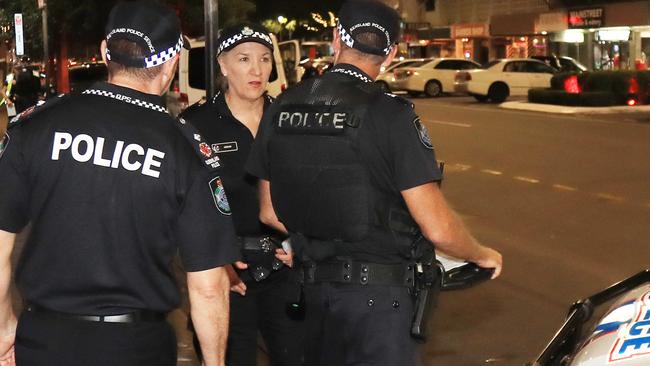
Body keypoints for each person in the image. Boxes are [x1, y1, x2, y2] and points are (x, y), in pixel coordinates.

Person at [246, 1, 503, 365]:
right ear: (391, 52)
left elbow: (270, 212)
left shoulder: (282, 107)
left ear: (336, 39)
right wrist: (481, 254)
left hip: (312, 297)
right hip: (381, 307)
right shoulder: (391, 115)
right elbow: (437, 229)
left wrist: (316, 239)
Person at [0, 2, 240, 366]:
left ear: (104, 52)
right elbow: (209, 287)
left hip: (45, 340)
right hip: (136, 347)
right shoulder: (187, 151)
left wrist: (4, 326)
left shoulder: (36, 128)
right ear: (172, 64)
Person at [181, 22, 304, 366]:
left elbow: (314, 191)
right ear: (222, 65)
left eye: (265, 59)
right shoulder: (197, 124)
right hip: (227, 275)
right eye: (244, 59)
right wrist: (216, 259)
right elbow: (185, 207)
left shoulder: (290, 120)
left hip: (286, 268)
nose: (256, 70)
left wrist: (306, 244)